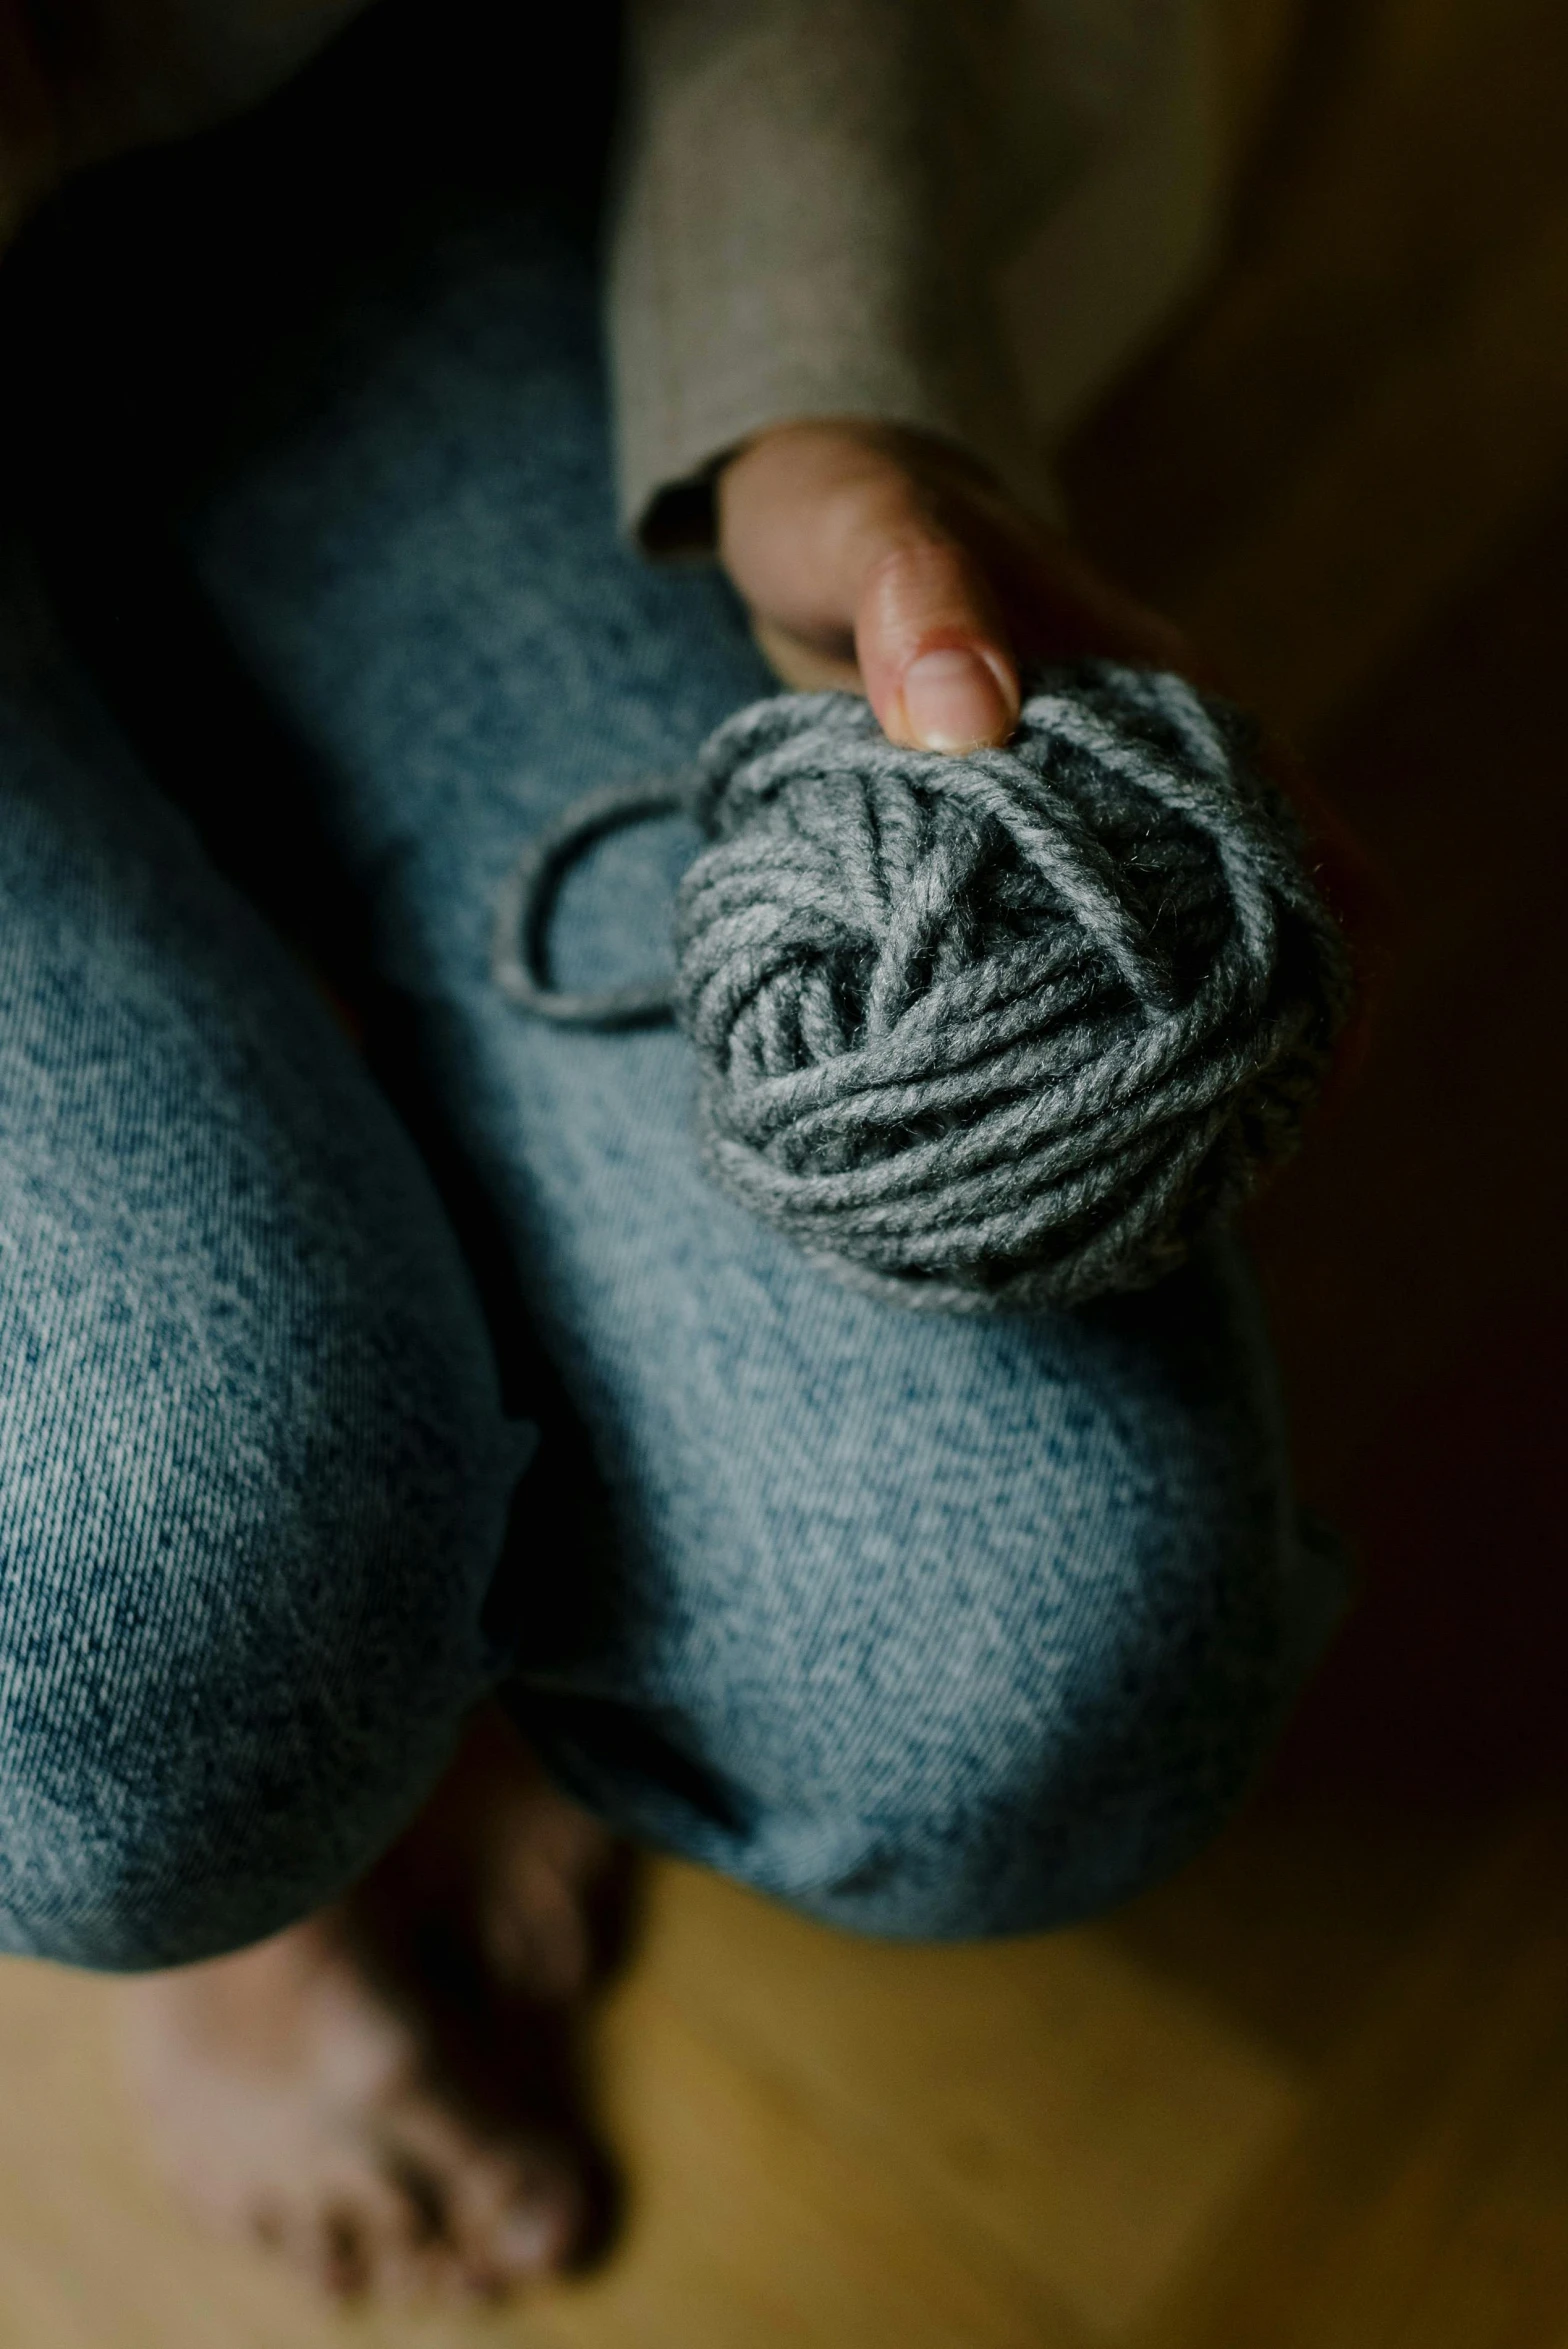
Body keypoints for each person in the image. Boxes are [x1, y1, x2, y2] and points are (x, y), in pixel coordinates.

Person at [0, 0, 1344, 2304]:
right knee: (165, 1636)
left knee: (1042, 1640)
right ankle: (275, 1870)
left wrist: (816, 372)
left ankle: (477, 1599)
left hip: (344, 133)